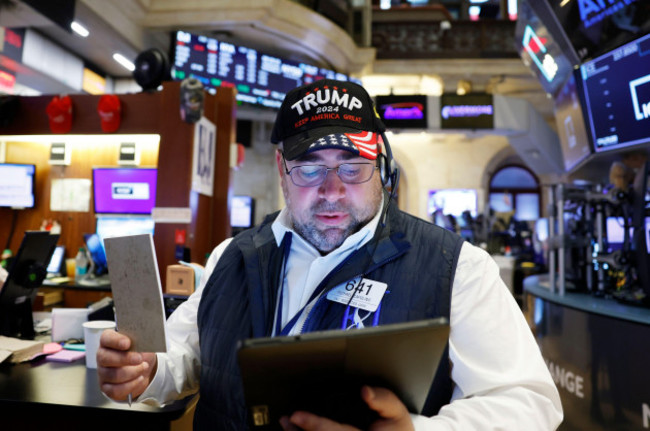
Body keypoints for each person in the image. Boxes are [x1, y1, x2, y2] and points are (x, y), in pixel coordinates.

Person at [97, 79, 563, 430]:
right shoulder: (230, 257)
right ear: (282, 170)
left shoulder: (456, 267)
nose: (333, 191)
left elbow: (528, 402)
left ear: (382, 167)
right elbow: (187, 357)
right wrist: (149, 370)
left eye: (352, 168)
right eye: (310, 169)